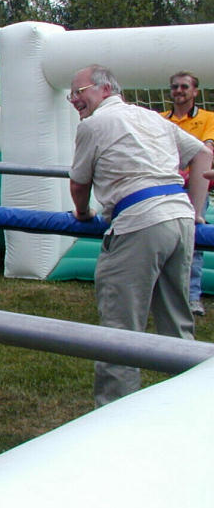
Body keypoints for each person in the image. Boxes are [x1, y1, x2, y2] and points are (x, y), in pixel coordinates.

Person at [67, 65, 212, 407]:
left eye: (78, 92)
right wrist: (196, 210)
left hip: (139, 222)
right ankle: (193, 406)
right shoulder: (152, 117)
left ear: (104, 89)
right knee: (177, 324)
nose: (74, 100)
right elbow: (204, 154)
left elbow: (78, 184)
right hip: (179, 220)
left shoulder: (93, 125)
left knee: (120, 331)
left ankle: (115, 414)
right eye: (70, 95)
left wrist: (83, 213)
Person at [160, 71, 214, 316]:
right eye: (174, 87)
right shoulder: (160, 118)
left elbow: (206, 150)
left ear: (195, 91)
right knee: (161, 239)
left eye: (184, 86)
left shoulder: (209, 118)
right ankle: (162, 295)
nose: (179, 91)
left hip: (194, 189)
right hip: (166, 187)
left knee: (193, 241)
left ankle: (192, 297)